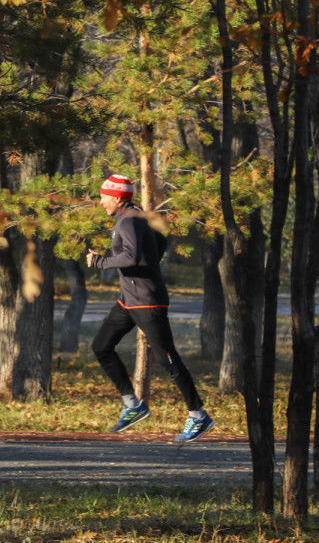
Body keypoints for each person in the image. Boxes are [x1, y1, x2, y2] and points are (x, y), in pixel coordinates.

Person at [86, 174, 214, 443]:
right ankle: (133, 405)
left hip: (147, 302)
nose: (101, 202)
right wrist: (148, 265)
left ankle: (199, 416)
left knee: (167, 359)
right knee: (101, 345)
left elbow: (131, 256)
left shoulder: (130, 220)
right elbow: (161, 242)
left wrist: (100, 262)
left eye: (103, 197)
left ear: (118, 198)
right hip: (129, 300)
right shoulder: (134, 218)